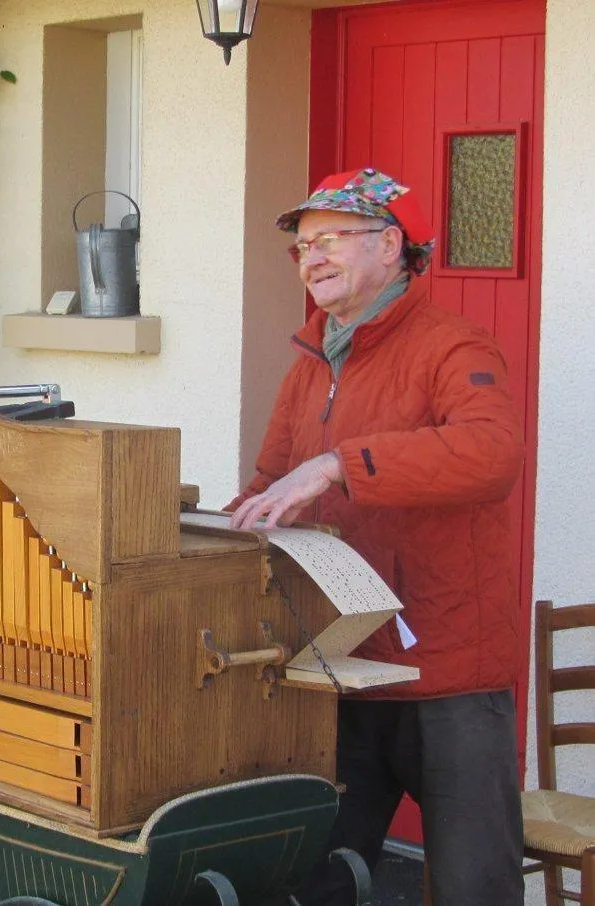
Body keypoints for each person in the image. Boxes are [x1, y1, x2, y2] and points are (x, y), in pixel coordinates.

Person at [226, 168, 525, 906]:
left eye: (331, 239)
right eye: (302, 246)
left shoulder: (455, 347)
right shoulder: (310, 360)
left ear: (390, 246)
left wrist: (337, 464)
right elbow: (270, 481)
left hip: (447, 672)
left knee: (472, 887)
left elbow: (492, 454)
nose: (312, 259)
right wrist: (231, 520)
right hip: (339, 662)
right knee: (322, 883)